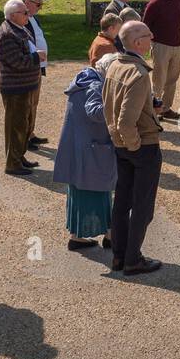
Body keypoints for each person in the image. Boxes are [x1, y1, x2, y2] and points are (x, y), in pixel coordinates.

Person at [103, 20, 163, 276]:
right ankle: (133, 259)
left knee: (122, 200)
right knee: (142, 206)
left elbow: (111, 106)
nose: (152, 39)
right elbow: (126, 120)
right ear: (138, 43)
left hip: (119, 145)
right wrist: (135, 145)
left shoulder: (115, 65)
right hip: (141, 147)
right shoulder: (139, 74)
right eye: (149, 35)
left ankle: (118, 256)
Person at [54, 53, 119, 251]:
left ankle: (80, 236)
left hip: (80, 148)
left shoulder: (86, 78)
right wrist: (120, 106)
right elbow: (95, 111)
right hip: (91, 150)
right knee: (97, 191)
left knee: (82, 191)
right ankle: (108, 235)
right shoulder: (96, 85)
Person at [0, 0, 41, 176]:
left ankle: (19, 157)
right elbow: (17, 62)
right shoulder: (7, 34)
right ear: (13, 15)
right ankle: (13, 164)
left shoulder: (19, 28)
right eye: (24, 13)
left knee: (25, 123)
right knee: (16, 125)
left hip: (26, 85)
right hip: (16, 88)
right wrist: (38, 58)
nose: (28, 15)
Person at [142, 0, 180, 120]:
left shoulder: (178, 0)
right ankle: (154, 110)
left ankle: (166, 108)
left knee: (173, 78)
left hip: (177, 44)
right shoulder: (155, 3)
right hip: (161, 46)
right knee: (159, 79)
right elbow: (145, 25)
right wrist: (150, 39)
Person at [22, 0, 50, 149]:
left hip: (38, 66)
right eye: (38, 4)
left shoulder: (34, 19)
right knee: (28, 104)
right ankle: (26, 137)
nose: (40, 8)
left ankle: (30, 133)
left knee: (34, 103)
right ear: (26, 3)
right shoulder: (23, 21)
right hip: (31, 67)